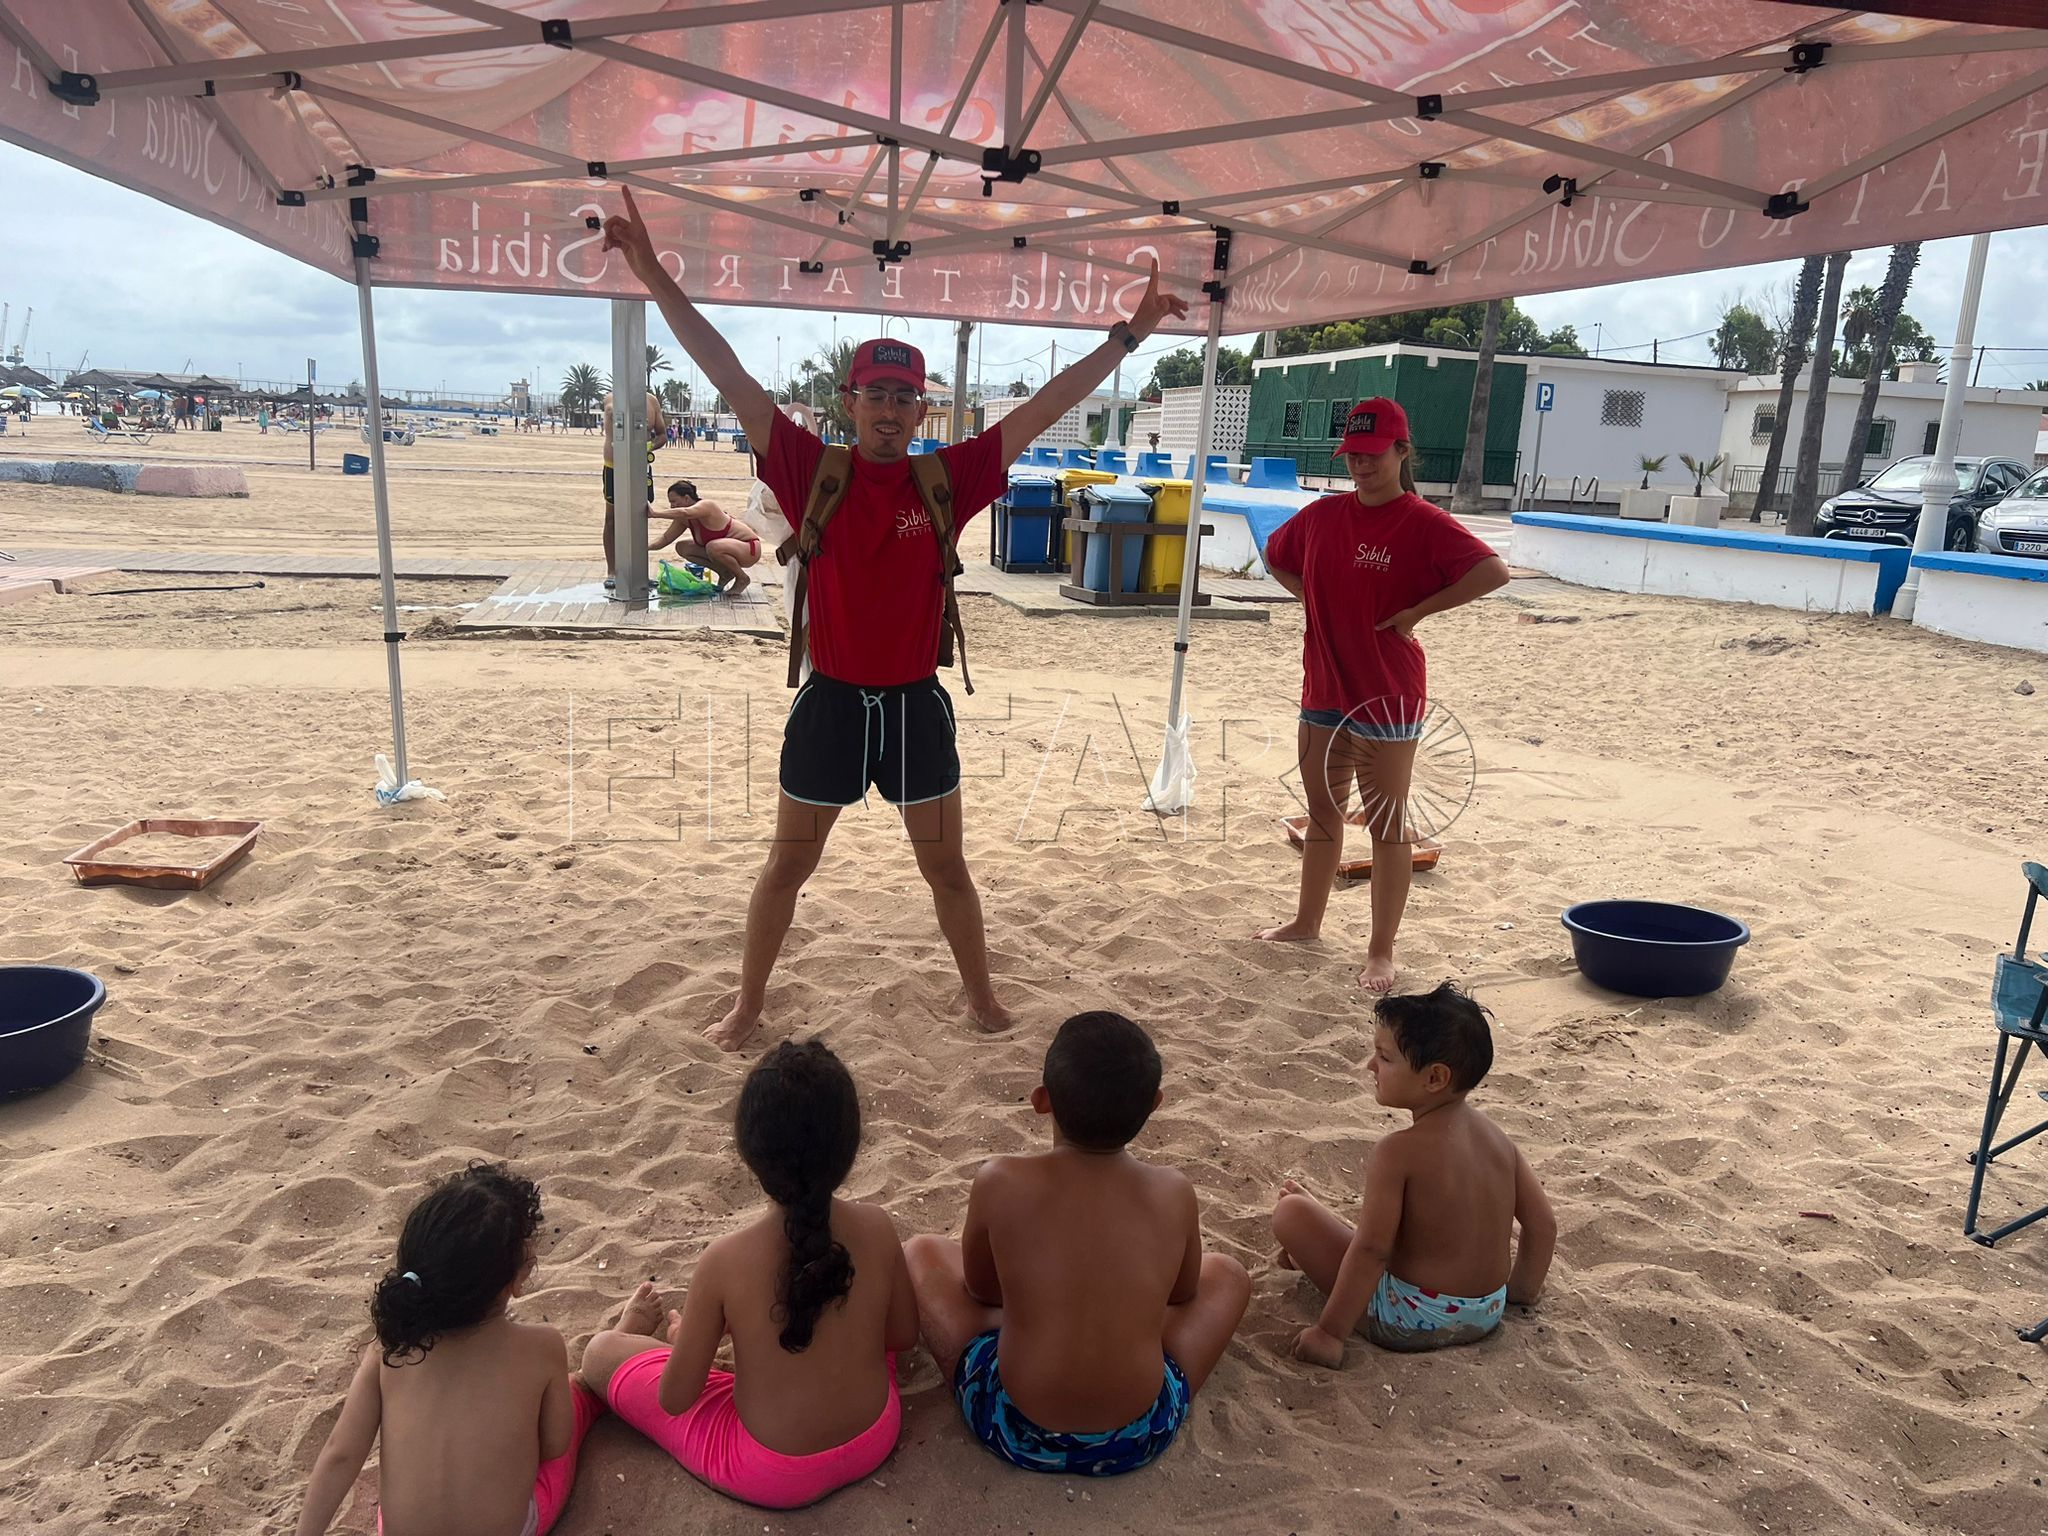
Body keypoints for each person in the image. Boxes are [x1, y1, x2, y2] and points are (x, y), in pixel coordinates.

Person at [601, 185, 1188, 1049]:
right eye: (874, 393)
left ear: (922, 409)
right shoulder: (810, 469)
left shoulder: (946, 477)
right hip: (832, 705)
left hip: (915, 707)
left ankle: (981, 997)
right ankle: (748, 1005)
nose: (888, 409)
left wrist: (1129, 335)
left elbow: (1046, 407)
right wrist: (652, 273)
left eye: (903, 397)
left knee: (946, 868)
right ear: (849, 401)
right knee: (788, 866)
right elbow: (726, 371)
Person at [903, 1011, 1250, 1477]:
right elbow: (1183, 1295)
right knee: (1228, 1274)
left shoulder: (1000, 1180)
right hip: (1139, 1435)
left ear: (1041, 1101)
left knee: (922, 1252)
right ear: (1155, 1104)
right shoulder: (1174, 1191)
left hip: (1014, 1427)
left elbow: (983, 1292)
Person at [578, 1040, 916, 1509]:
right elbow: (901, 1335)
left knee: (599, 1353)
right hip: (875, 1434)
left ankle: (661, 1339)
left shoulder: (725, 1260)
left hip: (772, 1471)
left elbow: (676, 1398)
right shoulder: (878, 1225)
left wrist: (695, 1340)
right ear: (851, 1148)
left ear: (750, 1155)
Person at [1256, 397, 1511, 993]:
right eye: (1352, 456)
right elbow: (1275, 557)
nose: (1361, 466)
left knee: (1388, 824)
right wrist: (1310, 600)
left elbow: (1492, 572)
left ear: (1402, 451)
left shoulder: (1422, 521)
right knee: (1323, 810)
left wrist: (1418, 612)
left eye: (1373, 455)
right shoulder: (1322, 517)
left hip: (1387, 695)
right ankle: (1306, 922)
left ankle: (1380, 952)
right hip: (1322, 685)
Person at [294, 1164, 601, 1536]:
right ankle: (595, 1381)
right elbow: (553, 1446)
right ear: (517, 1280)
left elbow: (340, 1454)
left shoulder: (390, 1349)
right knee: (571, 1413)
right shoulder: (542, 1346)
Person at [1272, 983, 1555, 1366]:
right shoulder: (1497, 1139)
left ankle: (1310, 1253)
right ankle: (1311, 1244)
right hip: (1487, 1312)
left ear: (1435, 1078)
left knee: (1292, 1214)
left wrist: (1328, 1334)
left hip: (1410, 1318)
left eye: (1385, 1058)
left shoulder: (1397, 1151)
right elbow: (1542, 1225)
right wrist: (1518, 1293)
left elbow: (1373, 1250)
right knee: (1331, 1222)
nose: (1371, 1065)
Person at [600, 386, 667, 592]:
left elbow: (662, 435)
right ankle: (612, 571)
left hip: (640, 467)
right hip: (614, 465)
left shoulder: (651, 401)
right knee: (612, 518)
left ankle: (639, 570)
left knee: (640, 517)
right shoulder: (610, 399)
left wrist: (648, 446)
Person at [658, 478, 762, 596]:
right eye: (670, 502)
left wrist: (654, 514)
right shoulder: (683, 518)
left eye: (674, 501)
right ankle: (724, 573)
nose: (672, 506)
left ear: (686, 498)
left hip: (749, 548)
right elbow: (665, 538)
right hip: (724, 548)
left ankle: (742, 578)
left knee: (713, 546)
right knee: (682, 547)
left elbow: (686, 512)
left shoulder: (707, 506)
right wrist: (644, 548)